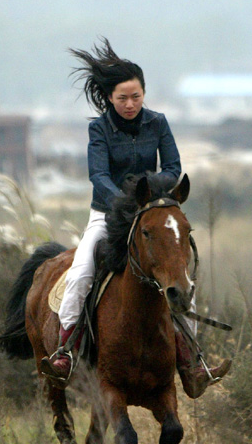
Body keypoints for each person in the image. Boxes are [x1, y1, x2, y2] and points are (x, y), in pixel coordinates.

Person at [45, 38, 191, 379]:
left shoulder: (159, 123)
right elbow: (97, 175)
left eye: (136, 96)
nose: (130, 104)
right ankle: (65, 350)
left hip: (152, 211)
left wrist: (152, 191)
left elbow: (173, 167)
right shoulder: (98, 128)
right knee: (81, 272)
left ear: (144, 94)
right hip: (107, 213)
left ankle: (191, 362)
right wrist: (124, 202)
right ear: (110, 98)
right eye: (122, 98)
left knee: (181, 277)